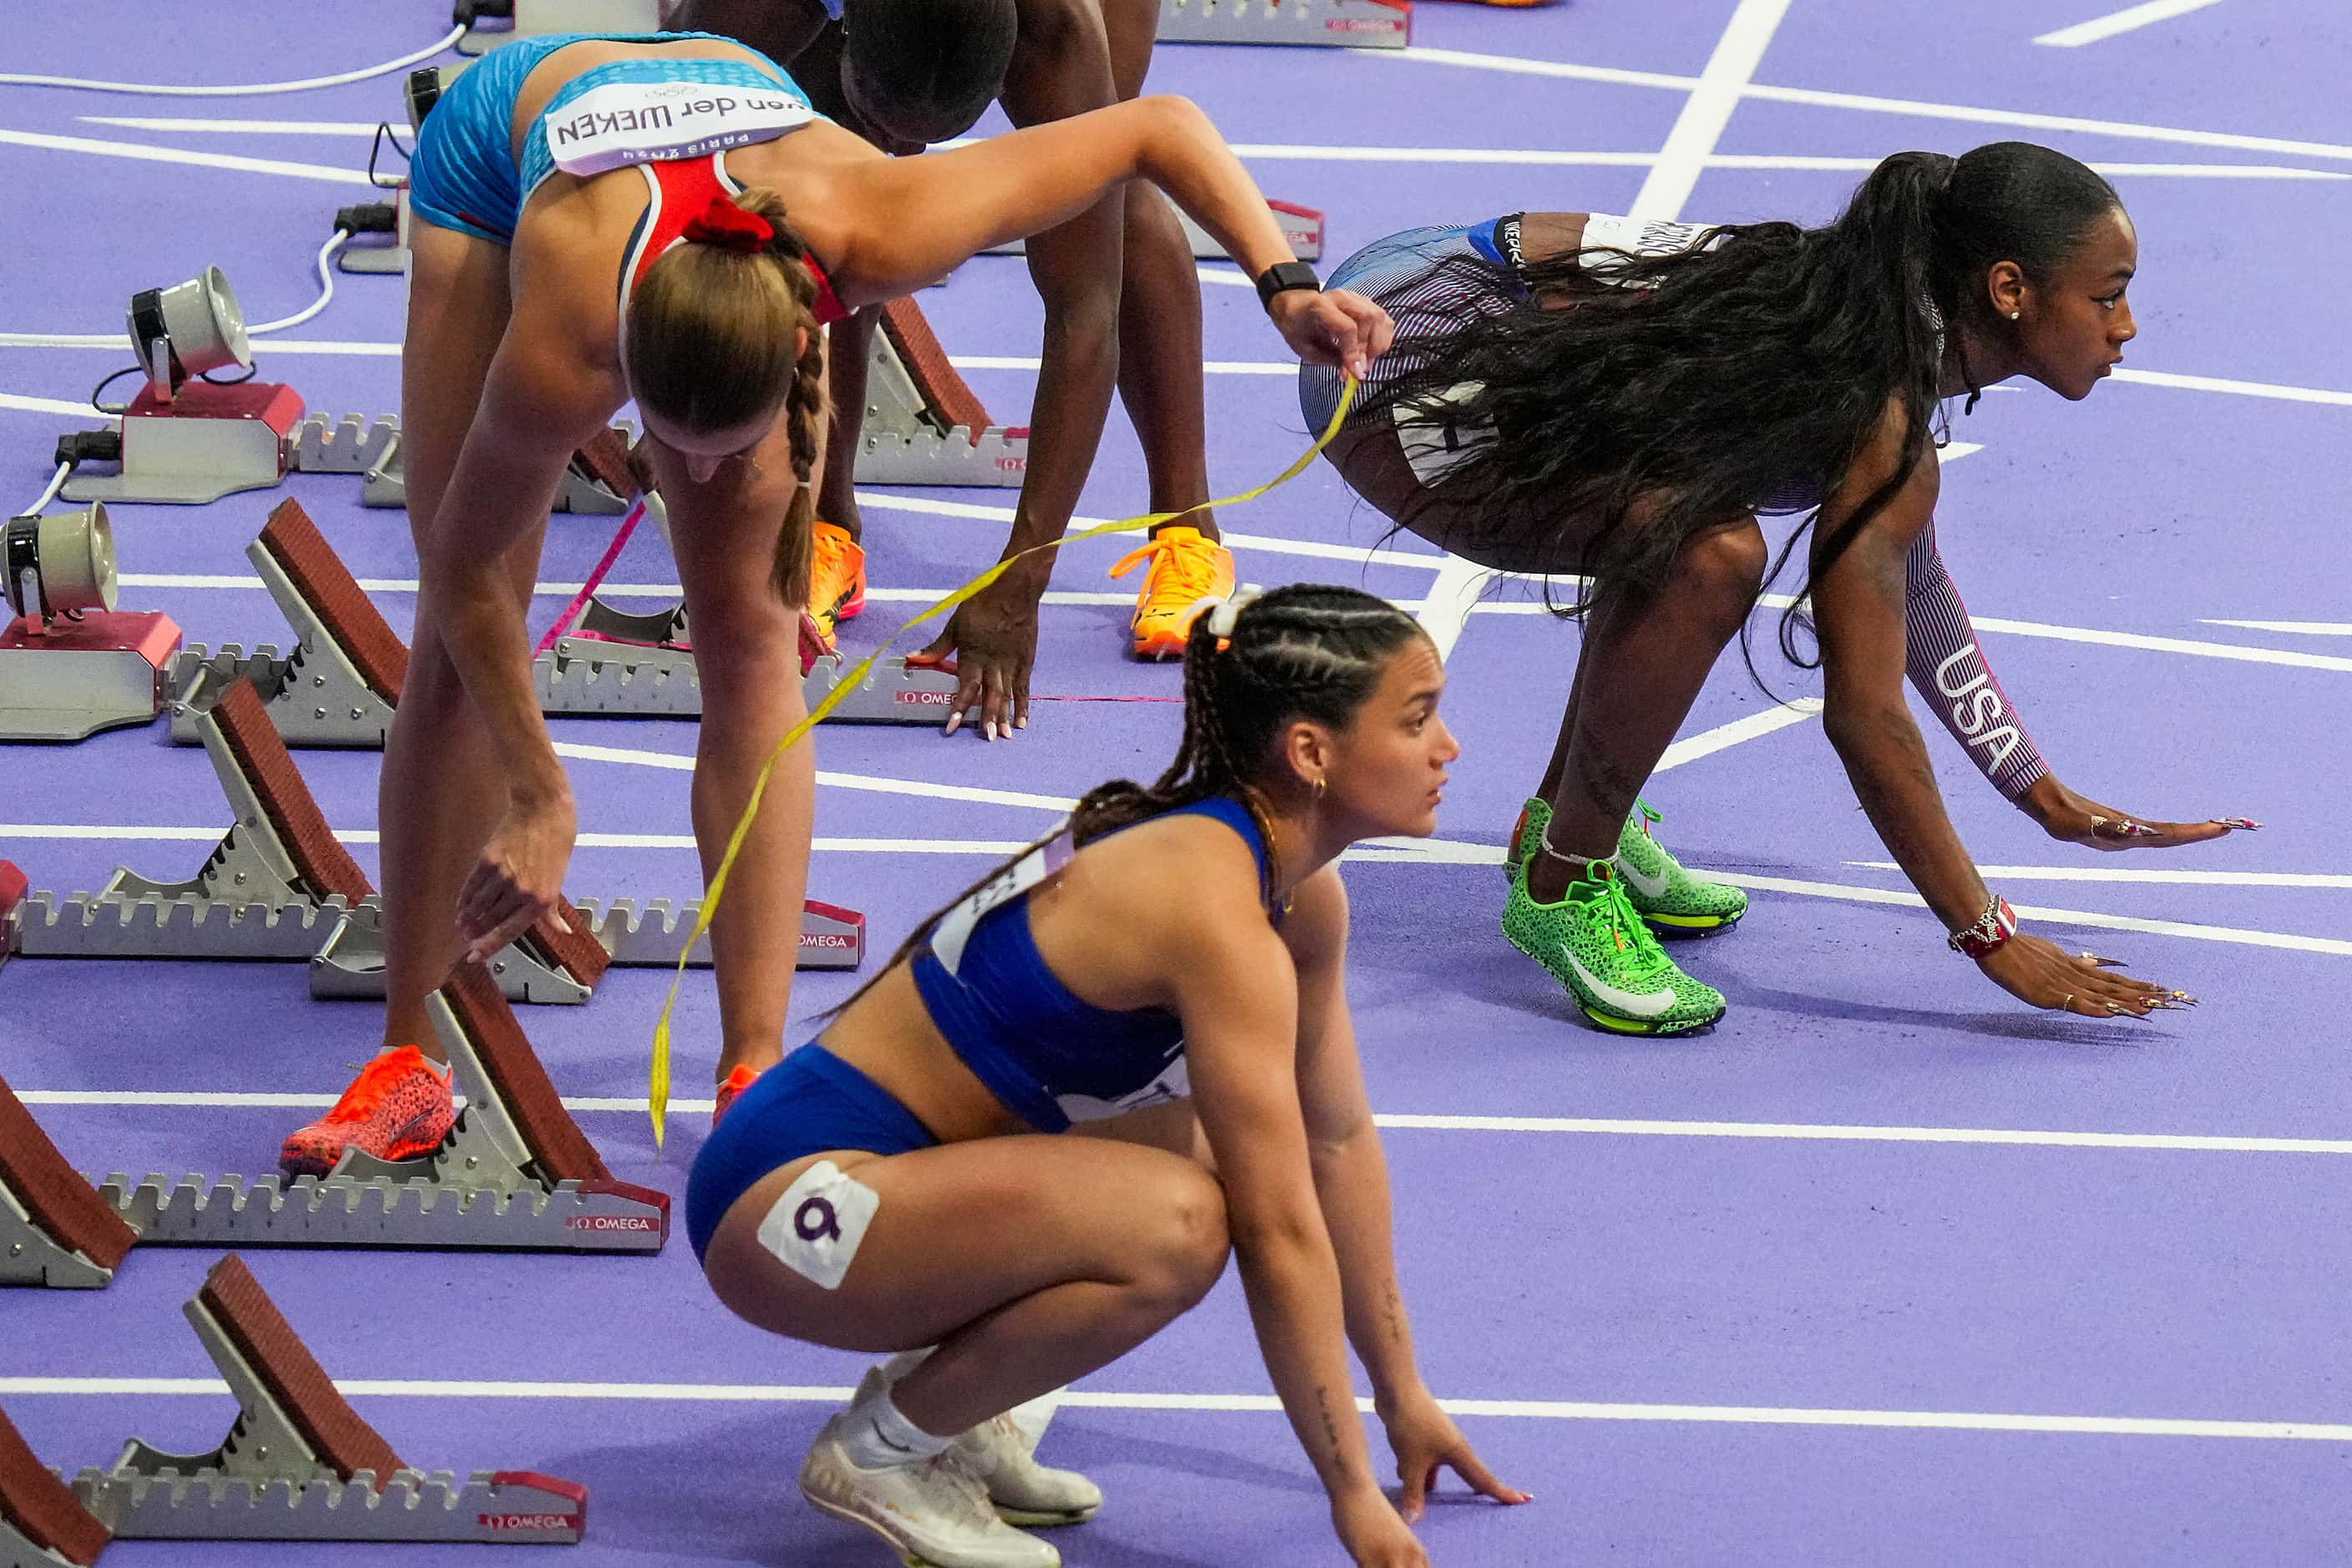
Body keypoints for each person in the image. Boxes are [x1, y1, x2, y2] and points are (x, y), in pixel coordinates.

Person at [276, 29, 1391, 1176]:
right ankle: (407, 1059)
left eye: (727, 452)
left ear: (804, 347)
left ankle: (753, 1069)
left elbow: (1163, 129)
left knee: (753, 642)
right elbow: (463, 573)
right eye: (673, 448)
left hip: (743, 148)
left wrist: (1286, 285)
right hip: (513, 154)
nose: (697, 479)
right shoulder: (563, 336)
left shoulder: (882, 222)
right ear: (621, 381)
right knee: (460, 659)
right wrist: (538, 785)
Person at [1299, 143, 2249, 1038]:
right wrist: (1989, 936)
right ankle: (1562, 882)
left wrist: (2041, 798)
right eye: (2110, 297)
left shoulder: (1875, 313)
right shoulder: (1874, 403)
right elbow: (1866, 716)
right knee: (1707, 557)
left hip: (1424, 281)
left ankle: (1571, 823)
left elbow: (1911, 591)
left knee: (1670, 523)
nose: (2125, 327)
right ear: (2008, 291)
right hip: (1396, 363)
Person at [689, 585, 1526, 1568]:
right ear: (1310, 752)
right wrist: (1349, 1495)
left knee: (1229, 1150)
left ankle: (958, 1418)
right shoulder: (1216, 913)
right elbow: (1279, 1227)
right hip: (786, 1209)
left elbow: (1335, 1142)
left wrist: (1403, 1397)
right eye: (1419, 719)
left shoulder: (1296, 896)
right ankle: (884, 1451)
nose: (1450, 749)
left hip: (886, 1179)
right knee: (1181, 1225)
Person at [680, 0, 1257, 737]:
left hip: (1049, 26)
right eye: (886, 126)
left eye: (931, 135)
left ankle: (1187, 526)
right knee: (830, 203)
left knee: (1115, 182)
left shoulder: (1055, 29)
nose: (900, 150)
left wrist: (1020, 580)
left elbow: (1083, 314)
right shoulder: (754, 18)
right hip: (830, 37)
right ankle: (828, 521)